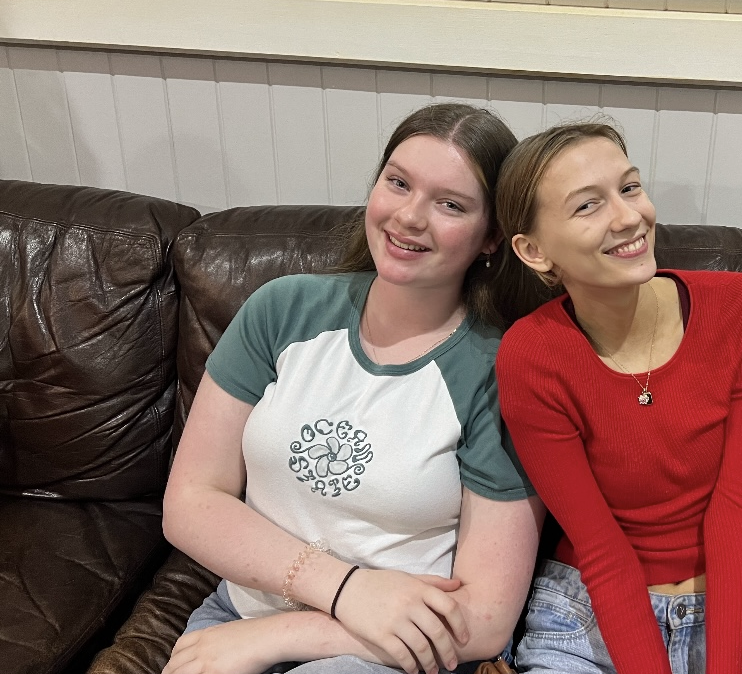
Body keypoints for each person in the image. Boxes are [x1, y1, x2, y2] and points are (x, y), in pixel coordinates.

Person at [162, 103, 544, 674]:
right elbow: (190, 502)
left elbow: (486, 620)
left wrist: (290, 634)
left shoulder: (501, 371)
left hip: (395, 651)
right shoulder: (282, 308)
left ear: (491, 237)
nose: (409, 216)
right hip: (240, 615)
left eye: (450, 204)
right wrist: (343, 591)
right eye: (398, 182)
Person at [492, 122, 742, 674]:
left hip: (726, 608)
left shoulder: (739, 309)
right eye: (587, 206)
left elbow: (738, 511)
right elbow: (600, 549)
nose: (629, 218)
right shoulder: (532, 356)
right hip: (586, 617)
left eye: (629, 188)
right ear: (534, 251)